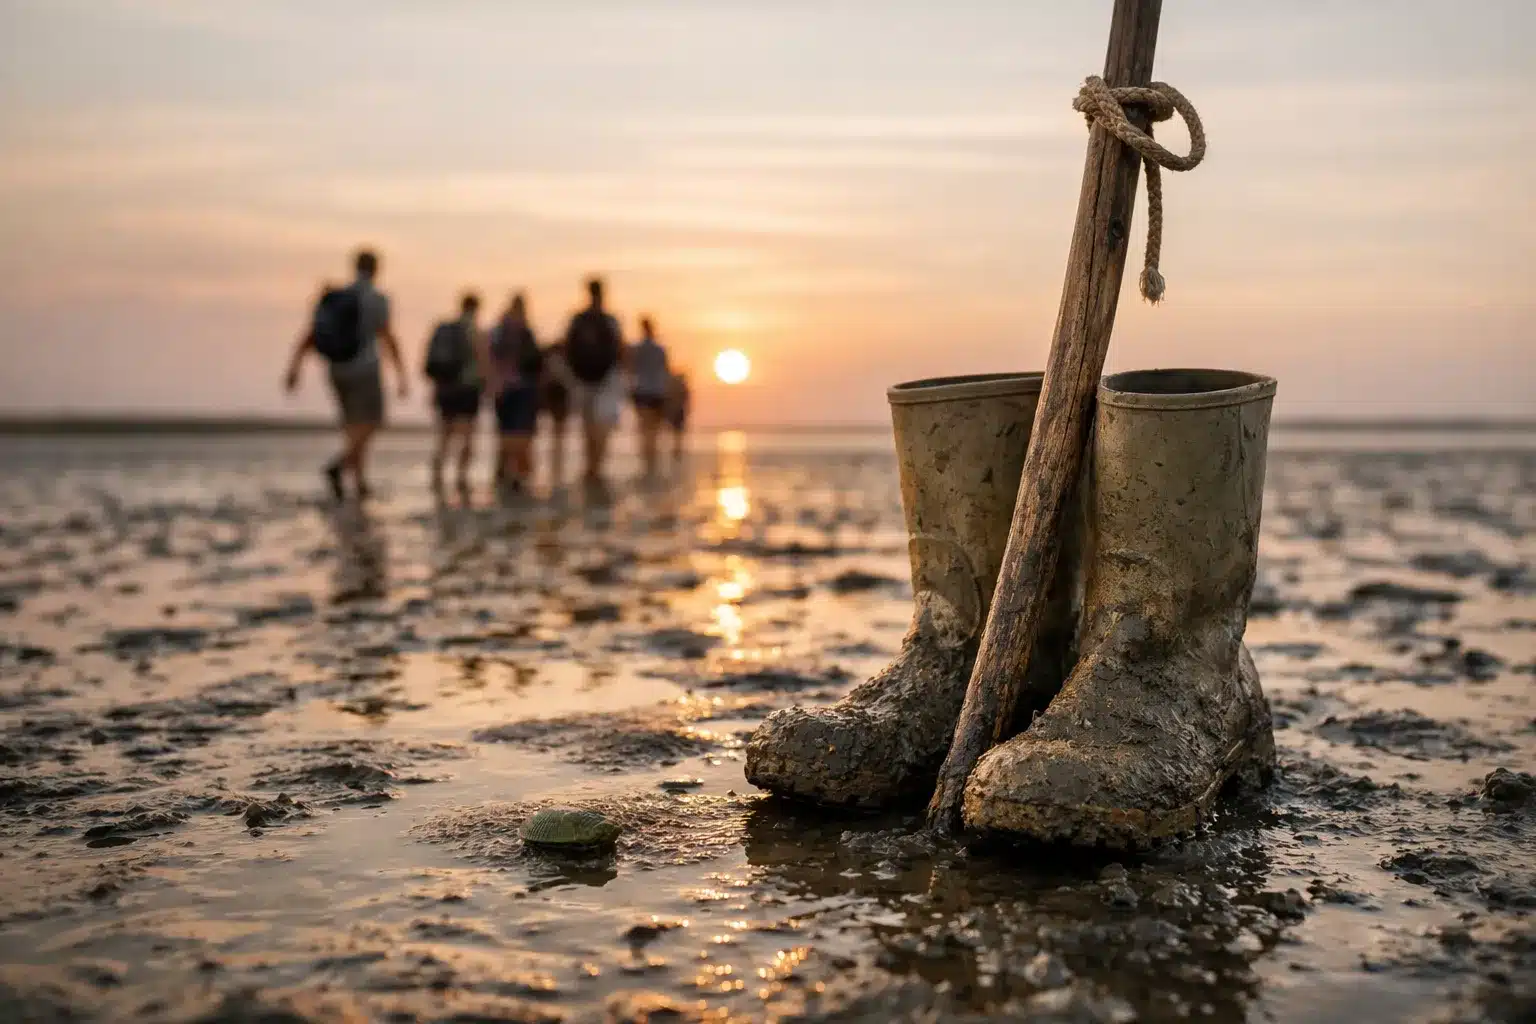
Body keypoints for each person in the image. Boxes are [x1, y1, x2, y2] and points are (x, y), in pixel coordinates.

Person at [285, 249, 408, 501]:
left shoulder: (335, 296)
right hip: (364, 367)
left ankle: (359, 482)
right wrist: (401, 373)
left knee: (353, 426)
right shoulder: (376, 299)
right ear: (376, 269)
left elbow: (310, 335)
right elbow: (387, 336)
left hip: (335, 369)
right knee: (373, 422)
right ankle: (339, 466)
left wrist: (295, 368)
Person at [558, 276, 626, 482]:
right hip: (605, 377)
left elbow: (565, 347)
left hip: (582, 377)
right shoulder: (610, 320)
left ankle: (591, 465)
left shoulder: (578, 319)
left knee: (588, 423)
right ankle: (596, 465)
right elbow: (621, 350)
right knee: (601, 424)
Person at [423, 291, 489, 495]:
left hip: (446, 388)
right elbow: (482, 359)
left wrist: (435, 388)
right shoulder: (474, 330)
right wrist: (487, 383)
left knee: (445, 434)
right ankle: (461, 476)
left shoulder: (445, 328)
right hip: (467, 389)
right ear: (477, 308)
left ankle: (438, 473)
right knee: (467, 435)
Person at [487, 292, 544, 493]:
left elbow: (489, 360)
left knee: (506, 432)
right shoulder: (525, 331)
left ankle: (505, 471)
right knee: (521, 433)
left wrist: (493, 384)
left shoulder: (498, 331)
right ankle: (517, 474)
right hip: (522, 389)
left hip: (505, 389)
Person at [628, 317, 671, 477]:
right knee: (653, 429)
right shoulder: (660, 349)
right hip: (657, 392)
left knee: (645, 427)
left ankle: (647, 460)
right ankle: (651, 460)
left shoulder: (637, 349)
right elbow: (665, 371)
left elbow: (631, 369)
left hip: (642, 391)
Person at [539, 338, 572, 482]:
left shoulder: (549, 359)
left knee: (556, 428)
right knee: (559, 429)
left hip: (553, 394)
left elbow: (544, 378)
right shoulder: (565, 360)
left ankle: (556, 456)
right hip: (560, 394)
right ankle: (558, 456)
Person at [664, 370, 691, 463]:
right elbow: (686, 400)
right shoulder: (681, 387)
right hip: (678, 412)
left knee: (676, 433)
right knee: (677, 433)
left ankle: (676, 450)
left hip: (675, 412)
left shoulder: (672, 386)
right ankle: (677, 450)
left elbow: (686, 400)